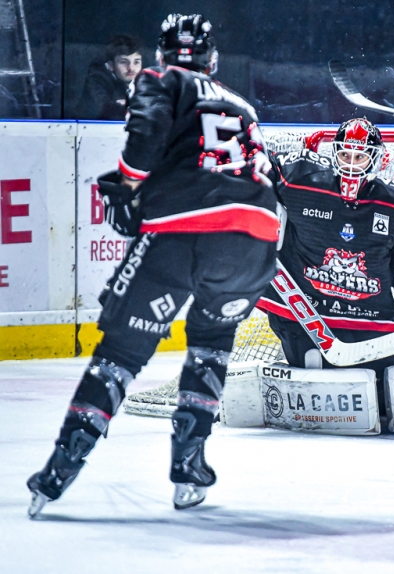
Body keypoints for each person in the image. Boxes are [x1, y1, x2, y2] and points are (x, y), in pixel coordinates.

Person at [27, 14, 281, 516]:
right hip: (255, 244)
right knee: (211, 345)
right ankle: (190, 466)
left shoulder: (160, 80)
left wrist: (125, 185)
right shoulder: (244, 106)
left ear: (162, 57)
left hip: (183, 235)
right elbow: (268, 176)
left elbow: (142, 151)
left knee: (121, 351)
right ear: (214, 60)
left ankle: (60, 469)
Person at [254, 118, 394, 430]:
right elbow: (252, 172)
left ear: (376, 159)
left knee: (386, 407)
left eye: (360, 157)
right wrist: (289, 156)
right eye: (345, 156)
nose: (352, 165)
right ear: (334, 155)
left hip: (373, 325)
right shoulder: (301, 181)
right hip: (306, 321)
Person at [80, 35, 143, 120]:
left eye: (136, 62)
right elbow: (102, 109)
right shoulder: (97, 79)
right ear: (111, 65)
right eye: (124, 62)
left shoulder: (148, 78)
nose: (131, 68)